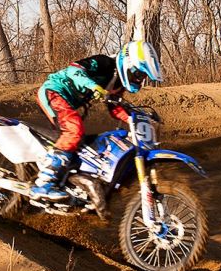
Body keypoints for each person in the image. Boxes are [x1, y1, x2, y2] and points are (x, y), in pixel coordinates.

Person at [31, 40, 163, 202]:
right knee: (74, 131)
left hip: (70, 101)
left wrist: (133, 118)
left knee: (81, 145)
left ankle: (68, 182)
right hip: (55, 91)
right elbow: (74, 69)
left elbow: (115, 107)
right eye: (139, 74)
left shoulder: (118, 82)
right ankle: (44, 183)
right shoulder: (104, 62)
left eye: (143, 77)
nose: (139, 80)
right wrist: (93, 86)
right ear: (129, 64)